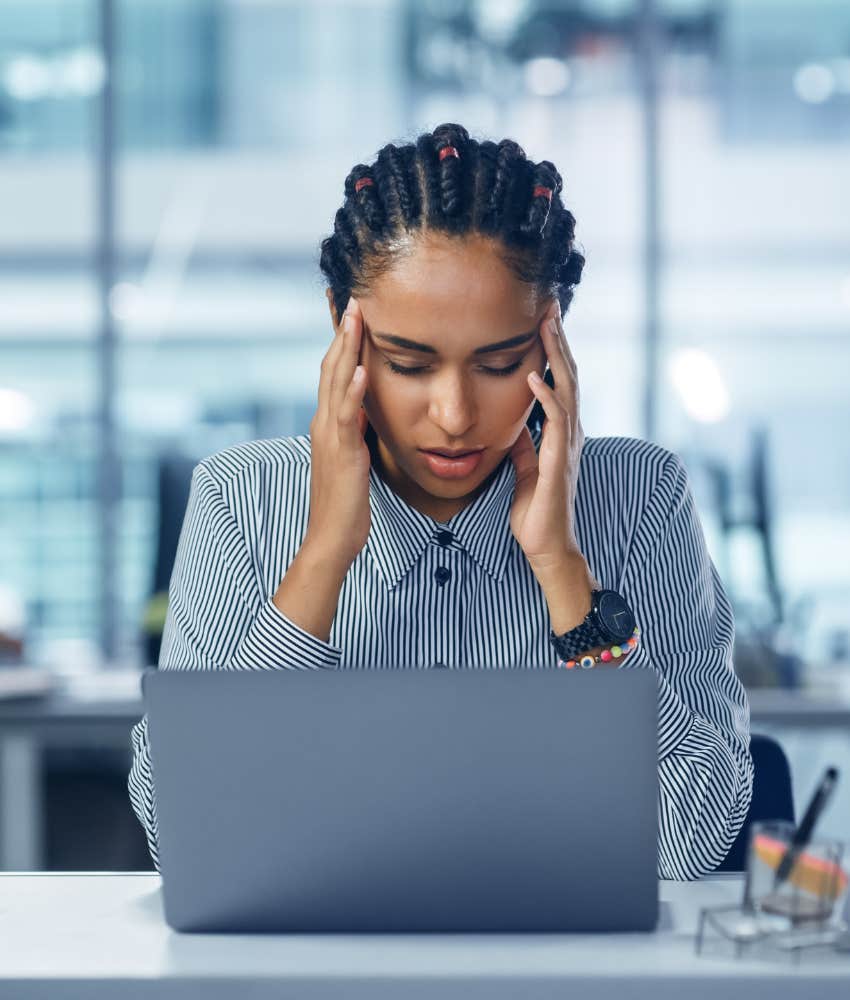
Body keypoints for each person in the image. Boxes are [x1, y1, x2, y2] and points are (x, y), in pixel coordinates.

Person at [128, 123, 753, 880]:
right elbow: (191, 838)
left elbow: (689, 842)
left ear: (552, 335)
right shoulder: (241, 498)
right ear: (342, 327)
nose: (455, 415)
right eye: (407, 363)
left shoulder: (641, 498)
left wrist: (564, 575)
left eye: (498, 364)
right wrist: (324, 552)